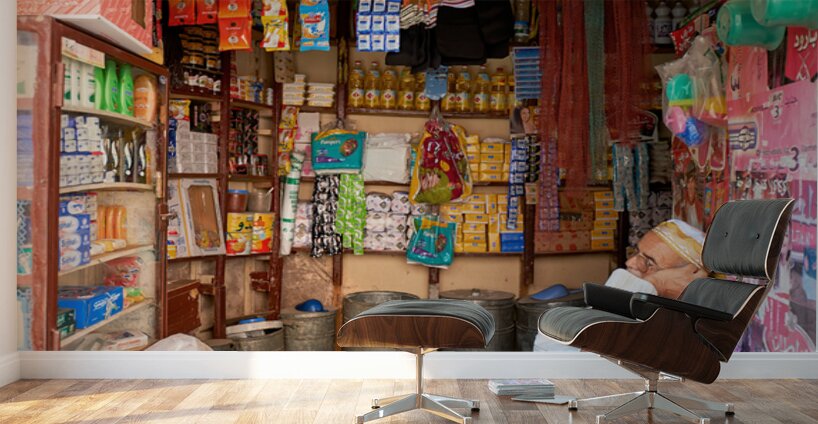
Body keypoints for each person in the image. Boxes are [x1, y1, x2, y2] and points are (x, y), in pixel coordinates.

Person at [533, 219, 707, 351]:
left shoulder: (673, 333)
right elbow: (548, 344)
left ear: (684, 279)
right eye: (636, 252)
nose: (630, 262)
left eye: (648, 262)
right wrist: (652, 283)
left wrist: (652, 284)